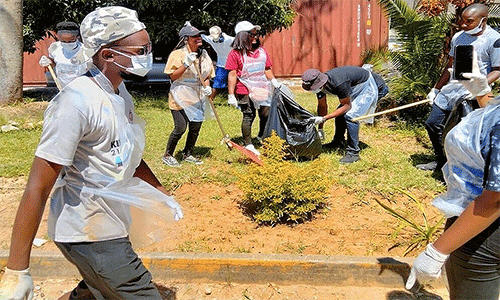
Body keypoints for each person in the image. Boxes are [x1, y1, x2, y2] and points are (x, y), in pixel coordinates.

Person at [0, 6, 183, 299]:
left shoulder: (118, 93)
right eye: (141, 49)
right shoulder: (75, 103)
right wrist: (16, 271)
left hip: (111, 221)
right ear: (108, 55)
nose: (147, 55)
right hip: (88, 231)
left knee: (94, 291)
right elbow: (37, 186)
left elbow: (127, 154)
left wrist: (160, 192)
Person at [405, 53, 500, 299]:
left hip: (484, 232)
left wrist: (437, 252)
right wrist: (481, 92)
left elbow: (495, 198)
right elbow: (492, 123)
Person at [417, 3, 500, 172]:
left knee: (463, 134)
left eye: (468, 21)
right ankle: (441, 162)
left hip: (473, 94)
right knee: (432, 124)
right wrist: (436, 89)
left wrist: (480, 85)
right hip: (451, 90)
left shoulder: (494, 40)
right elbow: (450, 64)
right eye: (462, 21)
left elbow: (498, 70)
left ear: (483, 20)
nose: (463, 25)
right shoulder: (458, 37)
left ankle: (463, 169)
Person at [301, 66, 387, 164]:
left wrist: (325, 118)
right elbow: (322, 106)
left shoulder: (338, 83)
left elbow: (347, 106)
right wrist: (320, 128)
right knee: (340, 112)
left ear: (320, 83)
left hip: (371, 86)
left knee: (350, 116)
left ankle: (353, 153)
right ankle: (338, 142)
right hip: (355, 88)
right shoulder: (320, 85)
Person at [161, 21, 214, 167]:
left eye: (199, 36)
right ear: (186, 39)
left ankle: (187, 153)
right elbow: (172, 76)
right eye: (194, 36)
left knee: (195, 127)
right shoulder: (177, 54)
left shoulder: (203, 55)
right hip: (180, 97)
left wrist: (207, 87)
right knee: (180, 128)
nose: (199, 38)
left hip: (197, 97)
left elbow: (207, 76)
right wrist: (185, 64)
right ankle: (168, 154)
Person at [225, 20, 281, 156]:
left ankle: (262, 135)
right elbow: (232, 75)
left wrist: (273, 80)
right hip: (244, 88)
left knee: (265, 113)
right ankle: (248, 144)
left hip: (261, 86)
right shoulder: (235, 54)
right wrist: (231, 95)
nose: (255, 37)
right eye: (251, 34)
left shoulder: (262, 51)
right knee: (249, 115)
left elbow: (267, 68)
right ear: (242, 36)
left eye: (256, 34)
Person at [38, 21, 89, 88]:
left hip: (82, 88)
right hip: (62, 88)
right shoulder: (54, 48)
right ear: (58, 37)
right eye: (63, 41)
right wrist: (48, 61)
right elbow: (54, 63)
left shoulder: (85, 51)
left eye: (70, 41)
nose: (67, 43)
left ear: (77, 37)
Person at [201, 25, 235, 102]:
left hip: (232, 64)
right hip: (221, 65)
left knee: (234, 84)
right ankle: (209, 102)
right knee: (216, 85)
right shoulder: (210, 39)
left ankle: (237, 101)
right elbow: (201, 36)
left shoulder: (230, 39)